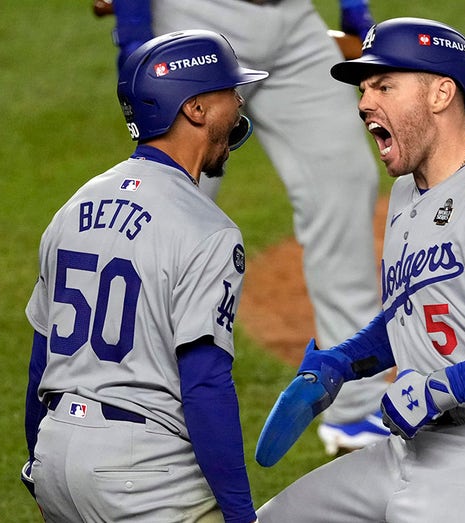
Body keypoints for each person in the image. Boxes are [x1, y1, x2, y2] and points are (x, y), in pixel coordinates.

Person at [255, 17, 465, 521]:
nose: (364, 102)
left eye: (384, 86)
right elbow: (416, 309)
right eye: (365, 88)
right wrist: (342, 363)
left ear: (441, 93)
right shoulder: (406, 194)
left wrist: (443, 388)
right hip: (411, 448)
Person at [103, 0, 392, 456]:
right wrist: (135, 35)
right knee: (170, 202)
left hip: (295, 24)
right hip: (197, 19)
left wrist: (354, 10)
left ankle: (354, 405)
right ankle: (127, 401)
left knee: (344, 180)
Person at [20, 30, 268, 523]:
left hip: (55, 455)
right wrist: (241, 514)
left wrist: (42, 458)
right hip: (143, 477)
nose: (239, 103)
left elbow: (39, 362)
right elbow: (205, 384)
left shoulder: (73, 206)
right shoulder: (209, 230)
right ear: (195, 109)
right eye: (228, 92)